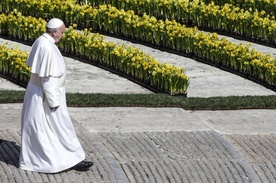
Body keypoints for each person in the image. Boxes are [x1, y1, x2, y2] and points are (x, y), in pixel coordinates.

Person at [19, 18, 93, 173]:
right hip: (46, 96)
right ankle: (70, 159)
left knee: (44, 128)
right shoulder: (46, 47)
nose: (63, 35)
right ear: (54, 31)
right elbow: (48, 79)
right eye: (62, 32)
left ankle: (70, 158)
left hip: (39, 93)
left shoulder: (41, 41)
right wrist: (54, 102)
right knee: (59, 127)